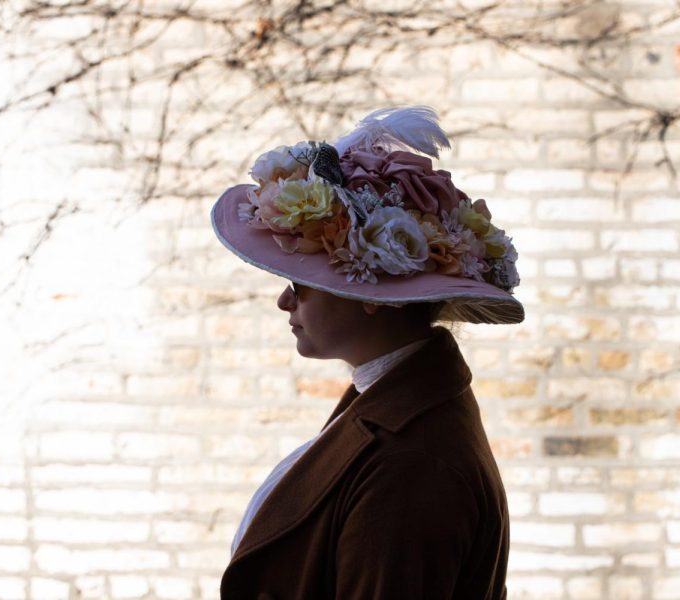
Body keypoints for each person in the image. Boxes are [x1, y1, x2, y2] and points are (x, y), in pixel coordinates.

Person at [210, 106, 524, 599]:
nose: (285, 300)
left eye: (301, 283)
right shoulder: (394, 408)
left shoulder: (412, 465)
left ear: (371, 297)